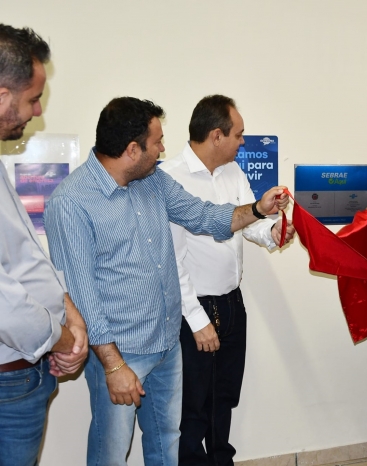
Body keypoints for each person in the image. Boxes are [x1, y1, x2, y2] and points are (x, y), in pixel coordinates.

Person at [44, 96, 288, 466]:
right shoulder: (72, 202)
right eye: (157, 142)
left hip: (167, 345)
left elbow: (204, 216)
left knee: (167, 444)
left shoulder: (152, 181)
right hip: (121, 352)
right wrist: (113, 366)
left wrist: (257, 210)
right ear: (131, 149)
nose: (162, 149)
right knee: (112, 451)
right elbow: (82, 297)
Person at [160, 95, 294, 466]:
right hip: (194, 311)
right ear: (216, 135)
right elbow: (170, 262)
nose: (243, 142)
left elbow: (249, 223)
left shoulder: (233, 171)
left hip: (232, 303)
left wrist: (274, 232)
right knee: (192, 404)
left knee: (224, 397)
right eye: (239, 134)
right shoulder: (171, 178)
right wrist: (198, 321)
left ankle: (221, 460)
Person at [0, 24, 88, 466]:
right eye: (33, 98)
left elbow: (25, 255)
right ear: (1, 95)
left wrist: (67, 308)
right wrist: (60, 338)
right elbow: (4, 302)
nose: (37, 111)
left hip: (20, 379)